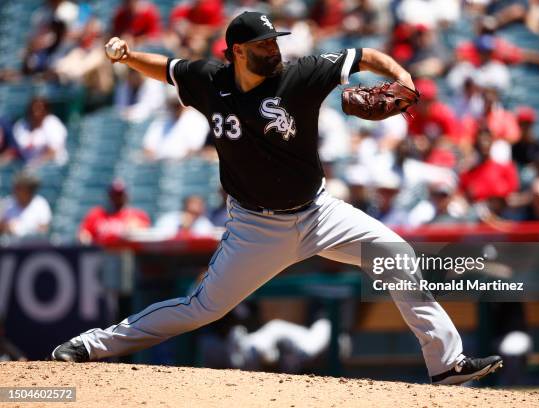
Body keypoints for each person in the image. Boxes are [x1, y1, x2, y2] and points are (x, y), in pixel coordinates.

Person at [51, 11, 502, 385]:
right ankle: (93, 345)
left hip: (320, 212)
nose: (275, 49)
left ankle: (446, 364)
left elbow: (368, 55)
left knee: (396, 256)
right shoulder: (210, 80)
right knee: (201, 308)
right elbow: (168, 69)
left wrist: (403, 77)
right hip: (255, 226)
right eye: (265, 44)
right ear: (238, 52)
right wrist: (129, 56)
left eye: (275, 40)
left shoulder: (301, 75)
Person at [142, 89, 209, 161]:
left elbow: (194, 149)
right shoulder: (161, 121)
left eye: (177, 104)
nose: (174, 107)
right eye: (172, 104)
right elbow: (148, 149)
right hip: (161, 165)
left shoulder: (198, 120)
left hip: (186, 165)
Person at [77, 180, 151, 245]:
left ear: (126, 196)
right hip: (101, 255)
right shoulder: (96, 214)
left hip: (127, 256)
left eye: (120, 195)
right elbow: (84, 235)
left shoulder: (137, 215)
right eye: (115, 195)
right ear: (109, 196)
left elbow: (145, 236)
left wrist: (134, 231)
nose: (117, 198)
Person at [12, 96, 68, 166]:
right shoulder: (21, 125)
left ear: (45, 111)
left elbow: (53, 151)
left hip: (53, 166)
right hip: (28, 167)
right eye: (33, 110)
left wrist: (35, 165)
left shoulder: (52, 123)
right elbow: (16, 150)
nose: (35, 113)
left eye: (39, 110)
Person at [0, 172, 52, 239]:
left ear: (28, 190)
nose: (15, 190)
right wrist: (8, 227)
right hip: (10, 245)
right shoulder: (7, 202)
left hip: (32, 245)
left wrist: (23, 229)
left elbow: (44, 229)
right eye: (16, 187)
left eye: (19, 187)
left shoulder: (40, 204)